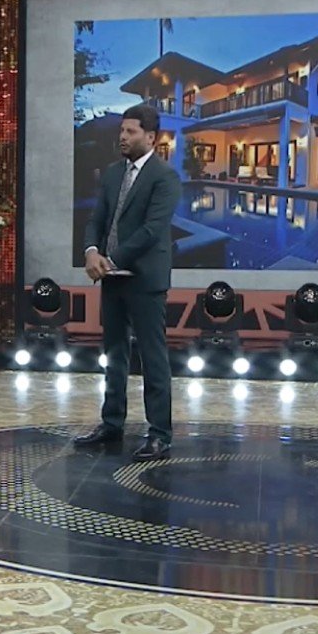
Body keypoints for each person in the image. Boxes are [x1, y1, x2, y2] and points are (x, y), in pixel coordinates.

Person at [75, 104, 180, 461]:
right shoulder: (111, 173)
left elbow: (152, 230)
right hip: (112, 278)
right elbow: (97, 220)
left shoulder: (165, 177)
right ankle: (112, 423)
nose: (122, 137)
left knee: (152, 356)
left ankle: (160, 434)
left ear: (151, 137)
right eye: (122, 130)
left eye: (130, 131)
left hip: (145, 279)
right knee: (114, 353)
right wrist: (92, 251)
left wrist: (112, 259)